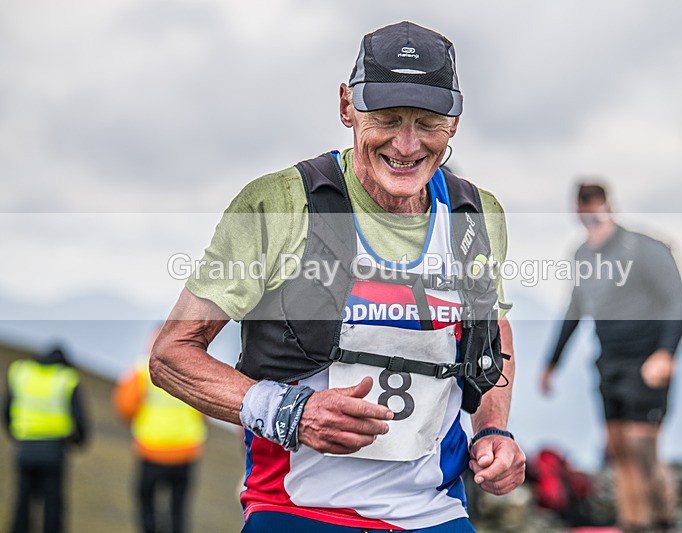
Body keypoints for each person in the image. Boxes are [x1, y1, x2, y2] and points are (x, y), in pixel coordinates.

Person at [150, 21, 526, 532]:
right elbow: (172, 354)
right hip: (295, 510)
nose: (407, 144)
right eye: (387, 119)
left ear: (454, 122)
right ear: (347, 105)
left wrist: (492, 431)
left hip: (435, 513)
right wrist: (291, 411)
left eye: (429, 123)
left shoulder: (476, 215)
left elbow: (492, 330)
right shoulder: (280, 204)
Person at [539, 183, 682, 533]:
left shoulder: (643, 247)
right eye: (584, 208)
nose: (590, 215)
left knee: (643, 448)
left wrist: (666, 353)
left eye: (596, 207)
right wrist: (552, 363)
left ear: (608, 206)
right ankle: (633, 524)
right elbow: (575, 309)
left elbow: (677, 300)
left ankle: (664, 524)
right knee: (619, 451)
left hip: (647, 363)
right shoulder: (582, 254)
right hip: (609, 362)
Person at [114, 326, 207, 533]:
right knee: (178, 509)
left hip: (152, 448)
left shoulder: (141, 371)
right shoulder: (192, 369)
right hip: (186, 448)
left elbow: (125, 407)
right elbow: (205, 408)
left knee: (146, 503)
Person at [3, 346, 89, 533]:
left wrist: (16, 434)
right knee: (53, 505)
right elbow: (79, 418)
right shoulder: (66, 378)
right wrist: (78, 441)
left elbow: (7, 410)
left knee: (23, 501)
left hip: (25, 448)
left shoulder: (22, 372)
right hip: (54, 452)